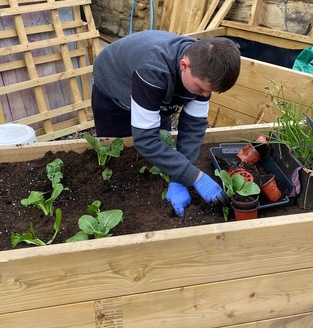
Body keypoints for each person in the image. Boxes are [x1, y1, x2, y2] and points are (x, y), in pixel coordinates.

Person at [91, 30, 241, 217]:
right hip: (115, 89)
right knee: (119, 158)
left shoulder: (204, 68)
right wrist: (196, 177)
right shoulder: (153, 70)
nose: (204, 96)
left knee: (162, 143)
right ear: (184, 66)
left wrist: (179, 179)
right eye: (201, 89)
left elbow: (193, 128)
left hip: (156, 92)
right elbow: (145, 140)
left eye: (209, 92)